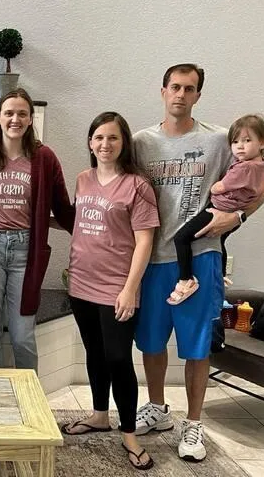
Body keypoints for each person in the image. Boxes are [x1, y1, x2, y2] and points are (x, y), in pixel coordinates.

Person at [133, 63, 264, 462]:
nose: (180, 94)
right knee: (153, 343)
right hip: (153, 258)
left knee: (195, 347)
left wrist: (239, 217)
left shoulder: (219, 141)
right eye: (174, 87)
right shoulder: (142, 142)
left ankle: (194, 423)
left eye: (189, 88)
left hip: (201, 257)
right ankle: (157, 408)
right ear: (162, 91)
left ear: (198, 95)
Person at [61, 112, 159, 471]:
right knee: (95, 353)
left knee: (119, 358)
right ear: (90, 142)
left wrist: (130, 289)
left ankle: (129, 433)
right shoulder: (83, 179)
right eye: (99, 138)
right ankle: (100, 414)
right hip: (81, 283)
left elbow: (145, 239)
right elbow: (80, 224)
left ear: (124, 143)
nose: (105, 144)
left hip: (117, 287)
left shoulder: (137, 185)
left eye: (112, 138)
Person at [0, 88, 74, 372]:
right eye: (9, 113)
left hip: (26, 249)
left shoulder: (44, 158)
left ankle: (31, 399)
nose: (15, 119)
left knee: (23, 334)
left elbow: (62, 206)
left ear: (30, 120)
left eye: (22, 114)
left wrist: (92, 231)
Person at [169, 113, 264, 304]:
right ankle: (222, 273)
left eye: (247, 140)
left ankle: (186, 279)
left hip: (218, 210)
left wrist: (213, 187)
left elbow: (220, 187)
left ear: (262, 142)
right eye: (235, 142)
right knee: (221, 241)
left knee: (181, 238)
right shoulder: (262, 163)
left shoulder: (243, 168)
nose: (240, 146)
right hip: (233, 215)